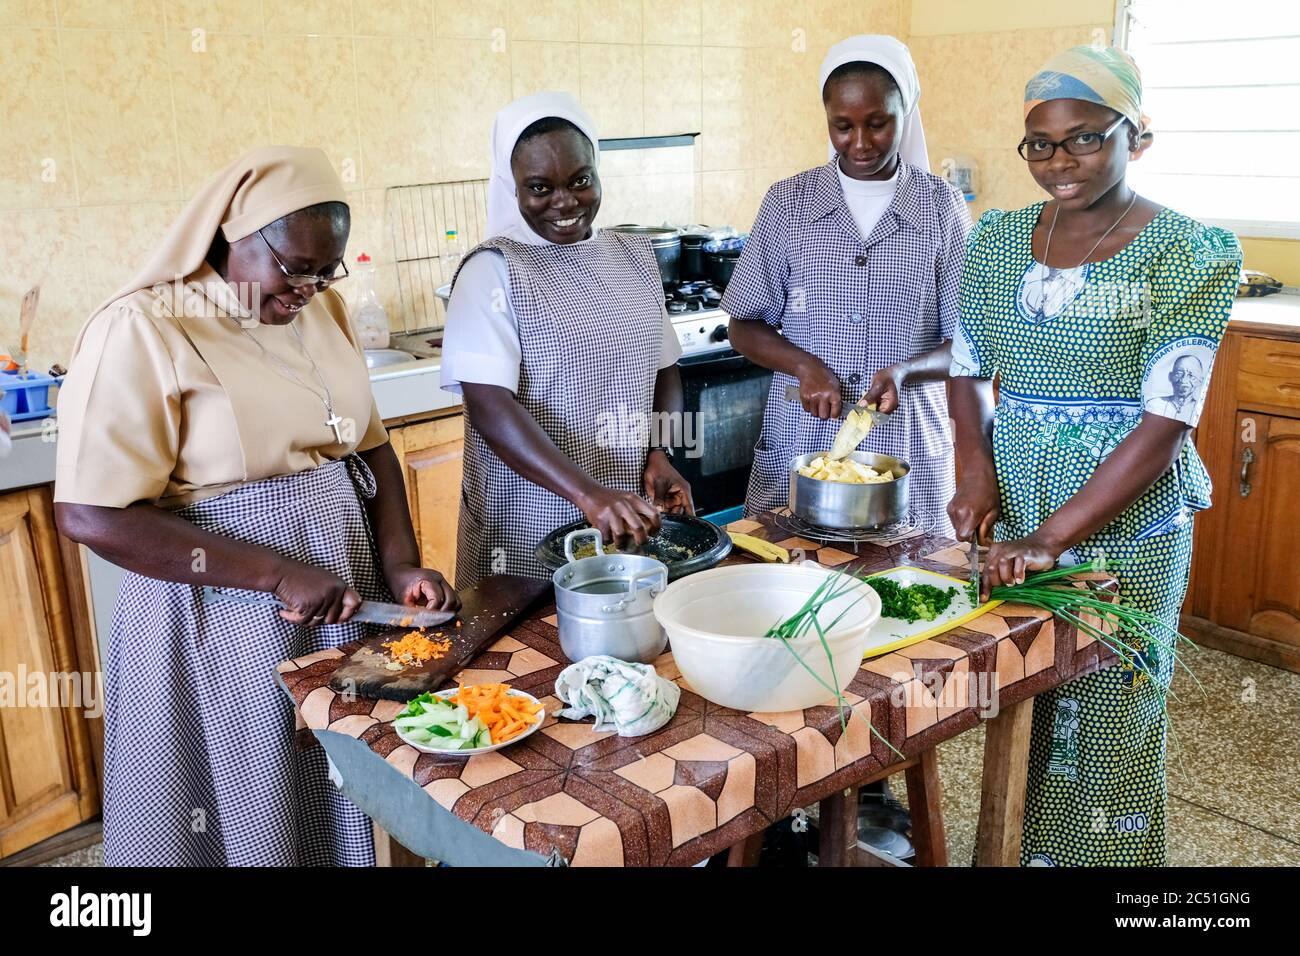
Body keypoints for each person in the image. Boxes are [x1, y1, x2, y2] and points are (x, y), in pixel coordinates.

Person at [54, 146, 458, 866]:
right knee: (253, 801)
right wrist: (274, 573)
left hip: (337, 593)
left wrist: (398, 566)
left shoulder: (324, 312)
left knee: (339, 786)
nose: (308, 288)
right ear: (234, 234)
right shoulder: (144, 327)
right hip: (223, 613)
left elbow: (370, 449)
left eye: (324, 271)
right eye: (294, 268)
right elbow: (90, 514)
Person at [946, 46, 1241, 865]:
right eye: (1039, 143)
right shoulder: (999, 242)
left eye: (1083, 138)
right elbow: (966, 371)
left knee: (1113, 712)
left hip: (1125, 527)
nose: (1057, 161)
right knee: (1031, 703)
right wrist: (976, 473)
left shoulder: (1186, 252)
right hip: (1022, 515)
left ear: (1135, 137)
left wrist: (1052, 537)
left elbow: (1166, 421)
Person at [724, 35, 982, 535]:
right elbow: (743, 325)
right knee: (792, 592)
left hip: (906, 447)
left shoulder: (940, 207)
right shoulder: (788, 203)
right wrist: (804, 366)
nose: (860, 143)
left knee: (907, 591)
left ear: (904, 113)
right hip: (802, 442)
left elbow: (968, 344)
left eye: (878, 123)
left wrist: (905, 371)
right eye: (843, 126)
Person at [441, 92, 693, 588]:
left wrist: (660, 453)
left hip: (624, 510)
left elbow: (664, 366)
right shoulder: (491, 271)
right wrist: (587, 493)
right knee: (525, 655)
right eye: (540, 188)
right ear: (511, 188)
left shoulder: (634, 254)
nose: (565, 201)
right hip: (527, 516)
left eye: (580, 180)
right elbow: (491, 407)